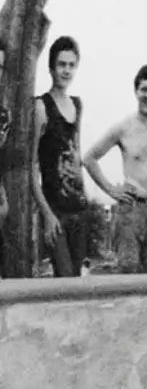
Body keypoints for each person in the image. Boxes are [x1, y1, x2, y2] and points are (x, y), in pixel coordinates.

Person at [80, 63, 147, 274]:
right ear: (136, 91)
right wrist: (112, 190)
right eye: (144, 89)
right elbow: (89, 158)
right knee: (129, 280)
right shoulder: (124, 127)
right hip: (130, 213)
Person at [34, 35, 89, 277]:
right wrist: (46, 214)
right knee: (64, 281)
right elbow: (29, 167)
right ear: (51, 67)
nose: (66, 70)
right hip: (55, 212)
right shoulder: (40, 106)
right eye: (61, 64)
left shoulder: (77, 105)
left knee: (77, 282)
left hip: (78, 208)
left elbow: (76, 152)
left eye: (71, 65)